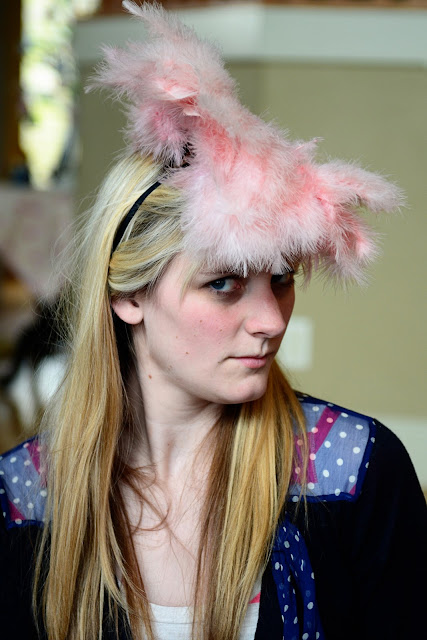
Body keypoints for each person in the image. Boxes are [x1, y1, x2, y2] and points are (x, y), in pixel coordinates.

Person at [0, 3, 426, 640]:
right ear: (129, 295)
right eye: (223, 284)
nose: (270, 320)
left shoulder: (355, 472)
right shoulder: (27, 496)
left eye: (281, 280)